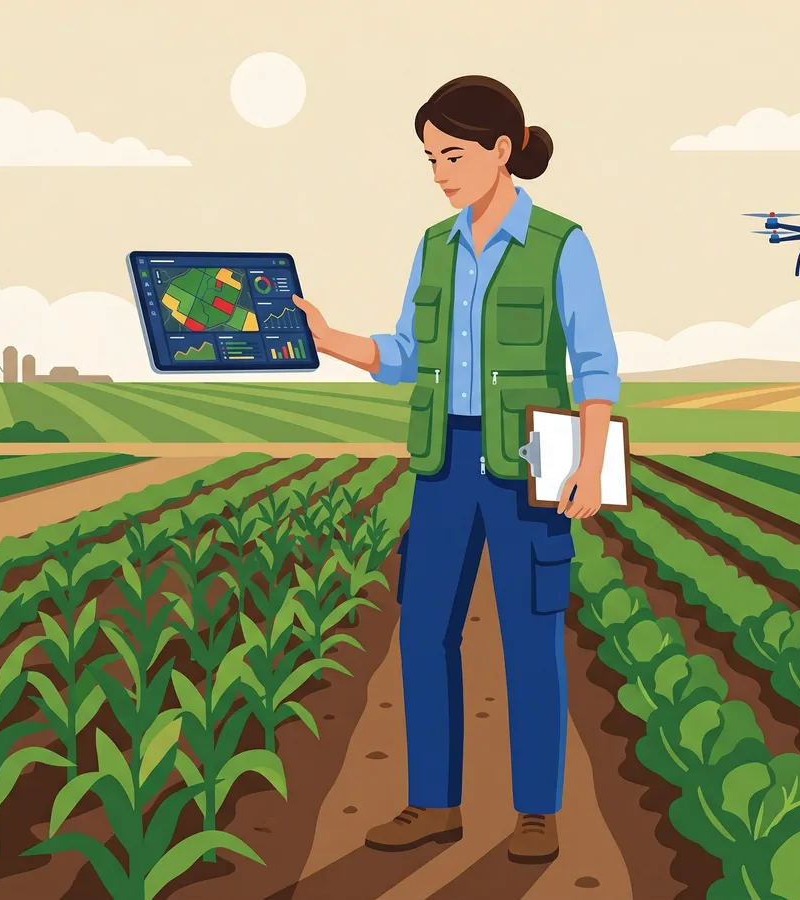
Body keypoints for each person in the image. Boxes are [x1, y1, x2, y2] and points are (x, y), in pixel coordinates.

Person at [294, 74, 620, 865]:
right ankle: (433, 803)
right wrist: (330, 339)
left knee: (531, 637)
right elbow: (407, 355)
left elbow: (595, 362)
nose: (439, 173)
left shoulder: (561, 243)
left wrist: (591, 463)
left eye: (453, 155)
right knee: (424, 633)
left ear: (502, 150)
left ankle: (536, 812)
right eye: (431, 158)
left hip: (527, 466)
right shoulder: (434, 248)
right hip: (443, 464)